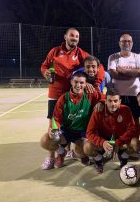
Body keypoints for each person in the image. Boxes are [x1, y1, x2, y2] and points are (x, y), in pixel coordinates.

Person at [40, 28, 105, 167]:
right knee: (53, 126)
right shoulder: (55, 51)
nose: (74, 38)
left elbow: (98, 66)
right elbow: (44, 66)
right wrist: (46, 73)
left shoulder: (81, 53)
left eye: (76, 36)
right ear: (65, 37)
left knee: (73, 120)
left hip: (74, 91)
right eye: (71, 36)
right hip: (56, 93)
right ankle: (52, 156)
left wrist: (96, 84)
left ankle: (67, 151)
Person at [40, 71, 104, 170]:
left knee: (84, 149)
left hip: (82, 132)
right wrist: (53, 128)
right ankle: (61, 153)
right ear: (71, 82)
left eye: (82, 83)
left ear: (86, 84)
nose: (78, 85)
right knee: (45, 140)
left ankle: (82, 156)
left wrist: (101, 102)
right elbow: (56, 118)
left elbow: (104, 98)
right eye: (76, 82)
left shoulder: (91, 94)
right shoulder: (63, 98)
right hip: (66, 131)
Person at [84, 89, 140, 174]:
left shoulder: (126, 110)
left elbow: (132, 129)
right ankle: (99, 161)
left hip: (120, 140)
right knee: (87, 147)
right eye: (110, 101)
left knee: (136, 144)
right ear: (105, 101)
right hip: (104, 140)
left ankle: (123, 157)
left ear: (120, 101)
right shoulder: (98, 111)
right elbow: (89, 132)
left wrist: (118, 142)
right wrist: (102, 142)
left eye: (115, 101)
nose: (113, 104)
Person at [107, 34, 140, 139]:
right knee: (117, 119)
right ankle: (118, 144)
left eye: (129, 41)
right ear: (119, 43)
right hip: (117, 95)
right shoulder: (113, 57)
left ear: (132, 43)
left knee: (135, 120)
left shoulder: (137, 57)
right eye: (123, 41)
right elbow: (113, 74)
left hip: (134, 94)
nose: (126, 43)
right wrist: (133, 75)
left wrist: (123, 71)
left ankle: (135, 144)